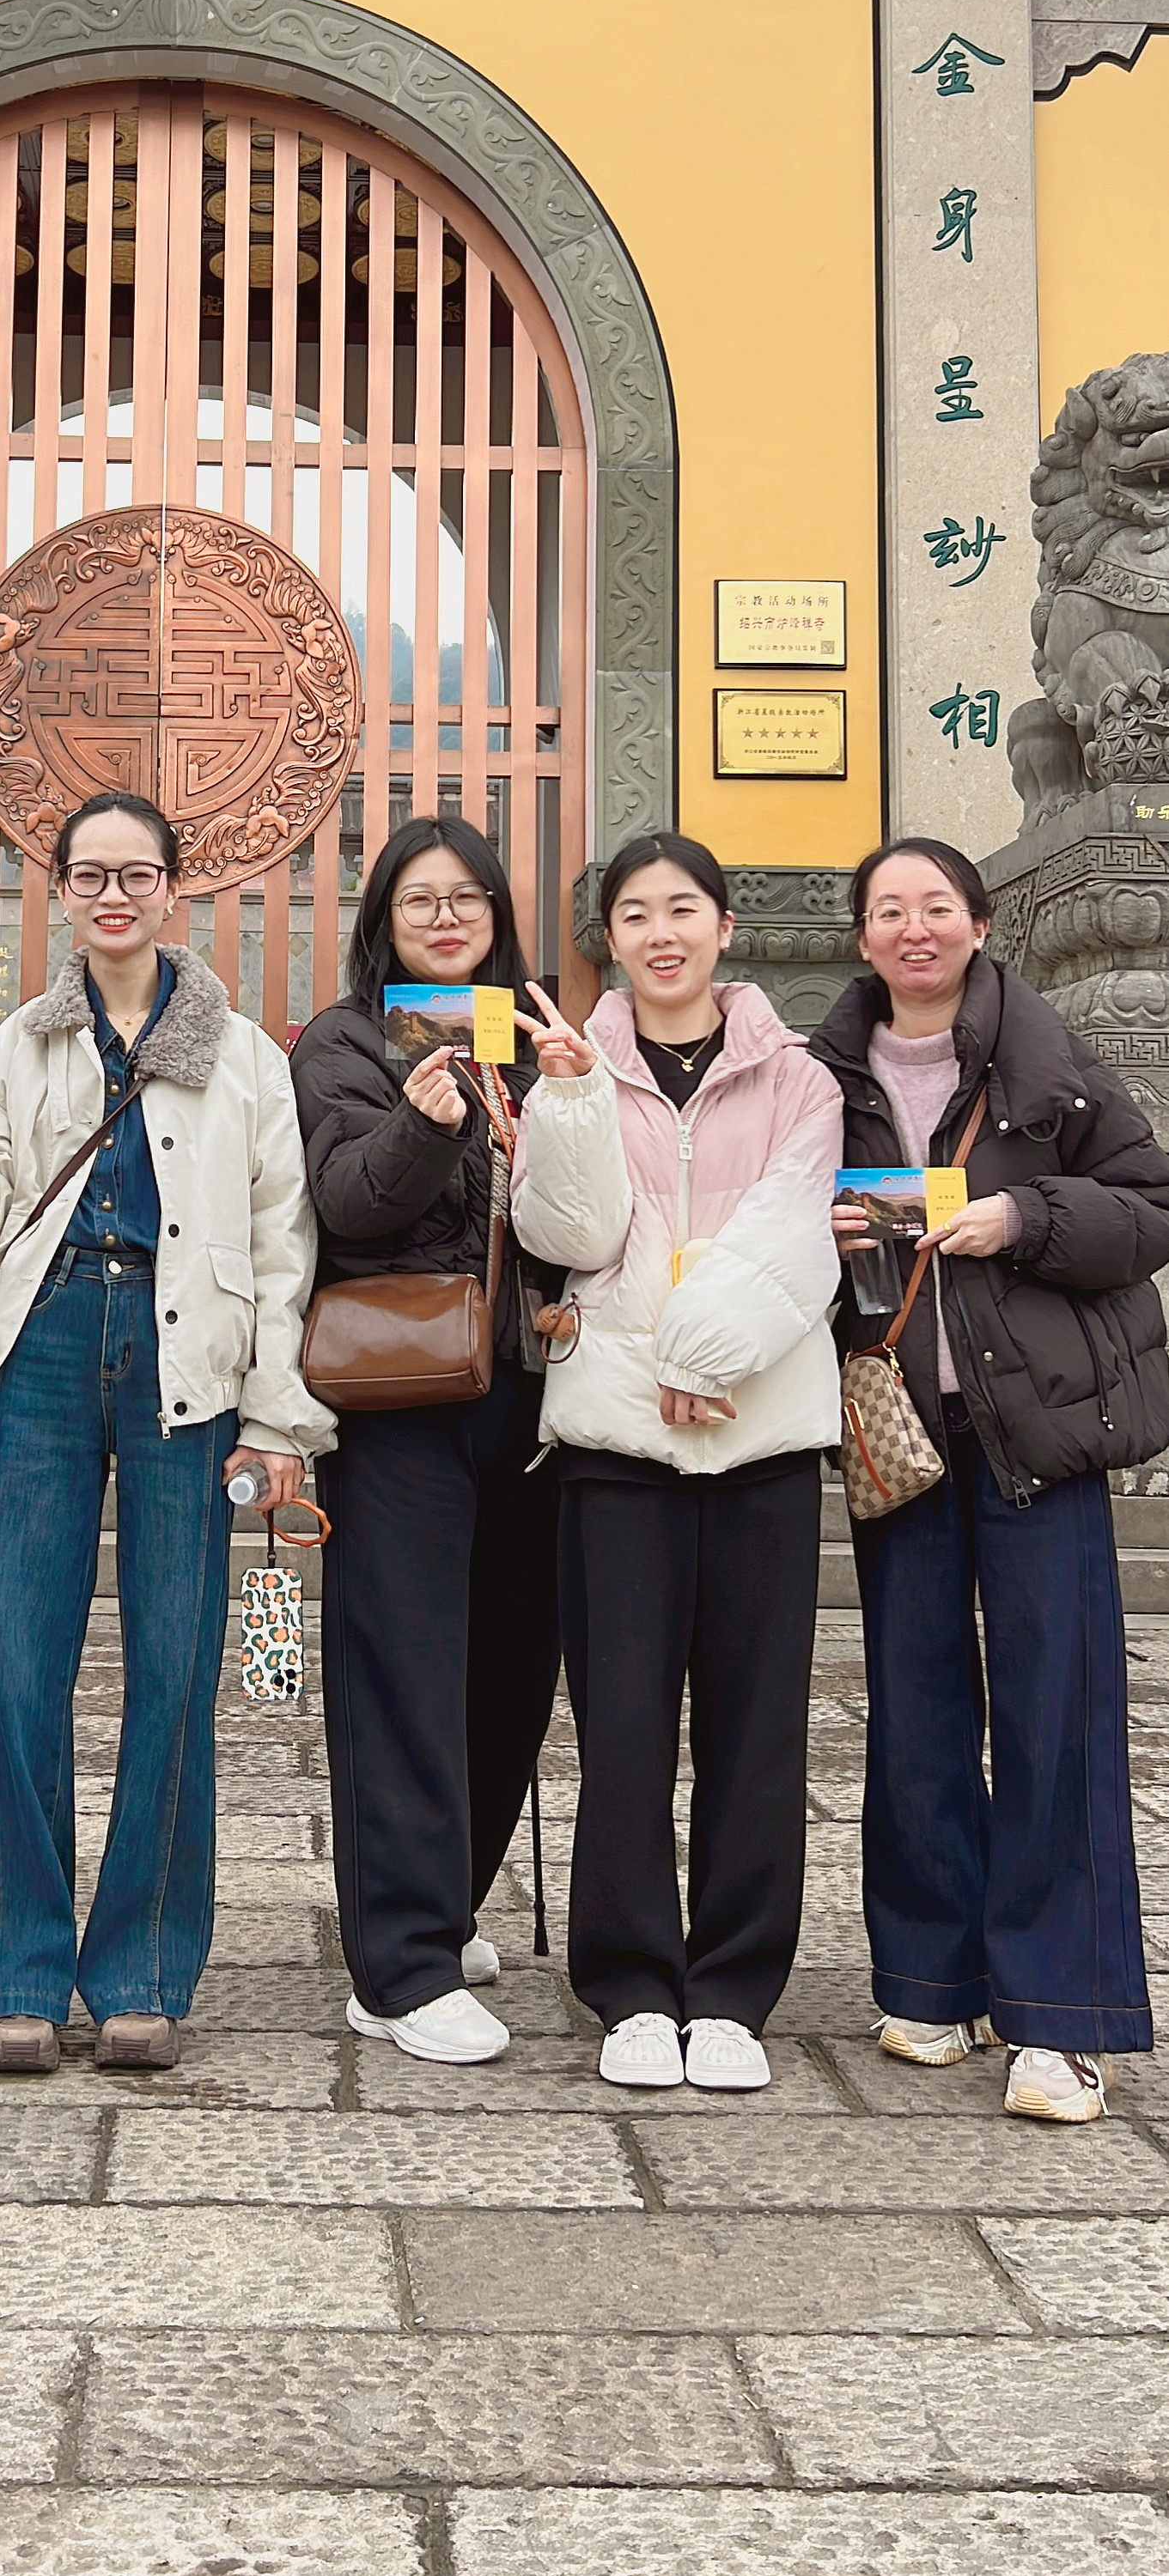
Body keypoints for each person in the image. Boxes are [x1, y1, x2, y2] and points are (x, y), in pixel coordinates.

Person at [0, 797, 330, 2075]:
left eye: (136, 874)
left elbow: (284, 1243)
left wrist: (280, 1416)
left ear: (175, 890)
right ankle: (16, 1972)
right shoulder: (20, 1044)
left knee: (174, 1667)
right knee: (17, 1663)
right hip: (49, 1340)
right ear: (61, 893)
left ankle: (141, 1973)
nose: (113, 895)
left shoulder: (244, 1056)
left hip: (193, 1358)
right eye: (89, 875)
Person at [809, 835, 1168, 2122]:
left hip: (1036, 1428)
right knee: (911, 1705)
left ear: (976, 924)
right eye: (888, 910)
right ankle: (929, 1978)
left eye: (936, 908)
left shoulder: (1048, 1061)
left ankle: (1060, 2020)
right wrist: (815, 1233)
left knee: (1054, 1709)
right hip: (896, 1427)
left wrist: (1024, 1219)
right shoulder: (819, 1078)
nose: (913, 929)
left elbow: (1150, 1201)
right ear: (862, 936)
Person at [509, 833, 842, 2093]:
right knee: (624, 1724)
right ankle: (633, 1985)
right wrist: (569, 1103)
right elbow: (577, 1235)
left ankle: (736, 1989)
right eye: (636, 914)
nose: (662, 933)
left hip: (761, 1436)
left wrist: (701, 1356)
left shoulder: (800, 1076)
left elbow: (793, 1231)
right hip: (617, 1444)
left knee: (757, 1727)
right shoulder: (573, 1065)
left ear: (723, 925)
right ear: (608, 939)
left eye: (683, 909)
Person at [290, 817, 561, 2068]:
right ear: (383, 920)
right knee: (401, 1670)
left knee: (510, 1668)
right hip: (399, 1396)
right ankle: (396, 1969)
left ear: (497, 915)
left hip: (530, 1393)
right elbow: (347, 1202)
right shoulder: (345, 1042)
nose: (446, 920)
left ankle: (444, 1905)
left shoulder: (540, 1036)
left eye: (467, 900)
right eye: (419, 901)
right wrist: (424, 1122)